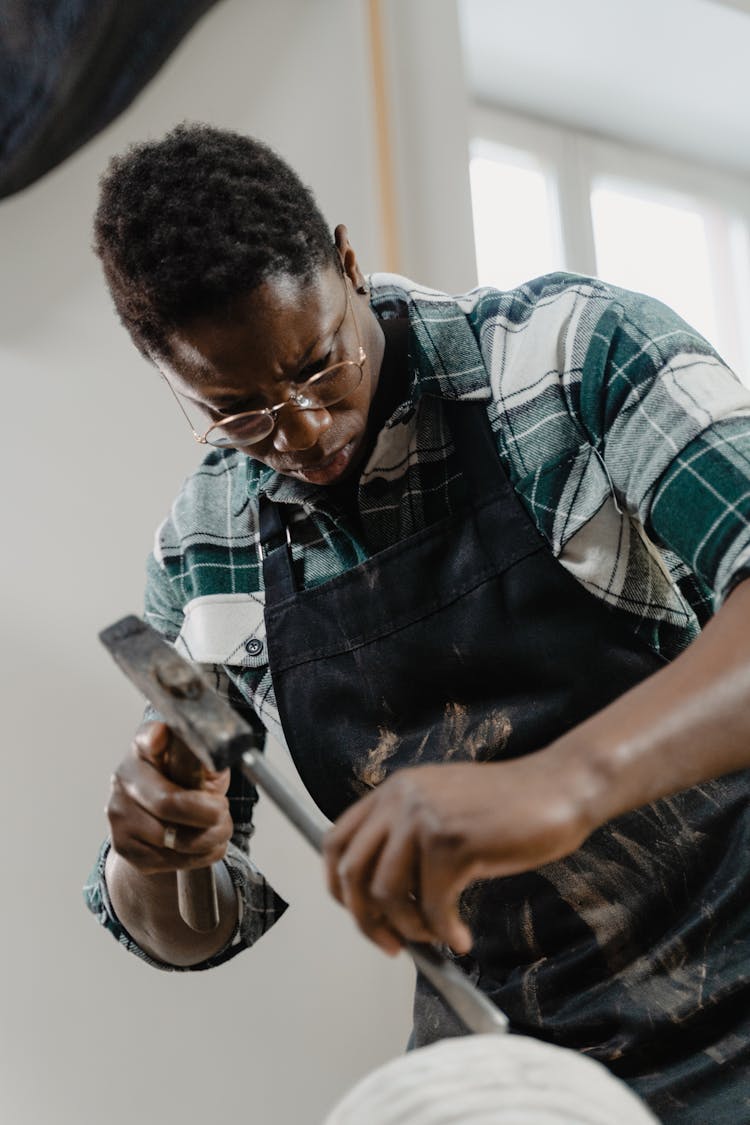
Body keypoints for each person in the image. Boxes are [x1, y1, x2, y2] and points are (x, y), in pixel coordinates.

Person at [85, 122, 750, 1121]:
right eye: (239, 412)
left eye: (316, 366)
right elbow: (191, 930)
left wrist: (563, 785)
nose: (302, 432)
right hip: (516, 1072)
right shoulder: (206, 547)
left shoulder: (570, 358)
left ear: (348, 263)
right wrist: (154, 851)